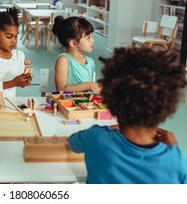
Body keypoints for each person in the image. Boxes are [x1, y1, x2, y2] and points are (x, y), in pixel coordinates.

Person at [69, 47, 187, 184]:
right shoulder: (178, 163)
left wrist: (111, 129)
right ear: (167, 113)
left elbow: (73, 142)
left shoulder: (95, 137)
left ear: (111, 105)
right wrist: (175, 149)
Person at [52, 16, 101, 93]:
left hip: (84, 103)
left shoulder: (90, 62)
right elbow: (61, 89)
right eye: (88, 37)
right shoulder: (63, 60)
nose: (93, 40)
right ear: (73, 43)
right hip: (67, 103)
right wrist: (89, 85)